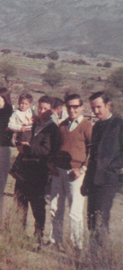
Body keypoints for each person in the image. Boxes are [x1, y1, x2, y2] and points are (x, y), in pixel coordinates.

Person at [47, 94, 92, 250]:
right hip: (59, 171)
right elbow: (55, 146)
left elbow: (92, 151)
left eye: (75, 107)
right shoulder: (63, 125)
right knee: (55, 207)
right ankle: (54, 241)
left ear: (82, 107)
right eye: (69, 107)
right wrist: (51, 164)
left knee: (75, 211)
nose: (72, 110)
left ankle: (76, 246)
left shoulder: (87, 126)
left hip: (76, 174)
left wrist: (82, 168)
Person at [12, 96, 59, 244]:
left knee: (37, 204)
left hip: (38, 170)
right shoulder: (33, 123)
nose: (41, 111)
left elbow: (46, 150)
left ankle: (38, 234)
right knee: (20, 201)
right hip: (23, 168)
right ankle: (18, 231)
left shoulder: (52, 129)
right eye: (39, 108)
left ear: (51, 110)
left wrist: (28, 148)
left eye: (45, 109)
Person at [81, 92, 123, 242]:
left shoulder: (120, 124)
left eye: (98, 107)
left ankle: (101, 263)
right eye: (93, 108)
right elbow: (93, 157)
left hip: (107, 182)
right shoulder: (97, 125)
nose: (95, 111)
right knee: (91, 222)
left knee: (100, 222)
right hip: (93, 181)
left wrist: (112, 167)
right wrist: (86, 182)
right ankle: (92, 260)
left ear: (108, 105)